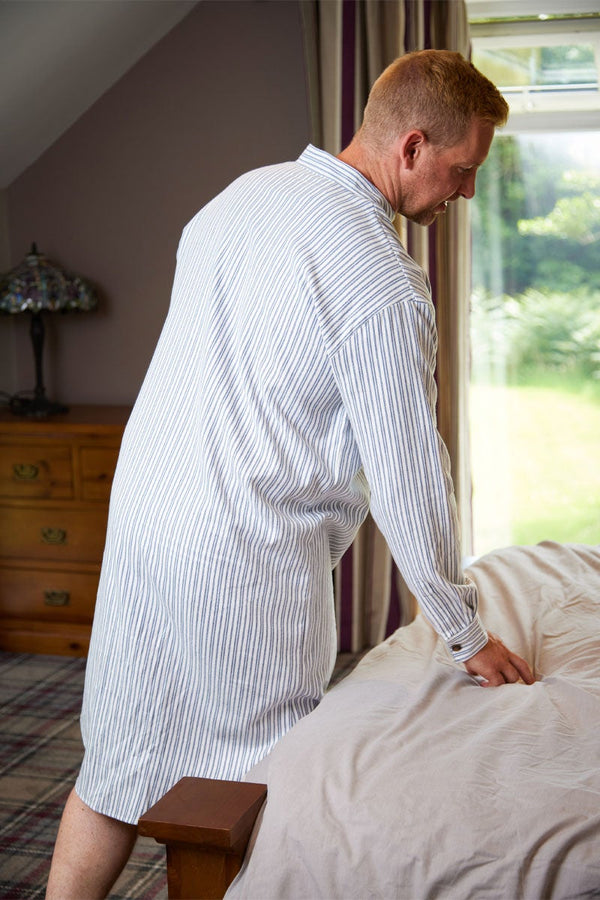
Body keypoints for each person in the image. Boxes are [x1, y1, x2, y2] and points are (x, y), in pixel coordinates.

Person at [46, 49, 534, 899]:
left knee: (119, 762)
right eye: (462, 172)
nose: (465, 195)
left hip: (144, 524)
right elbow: (410, 477)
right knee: (253, 788)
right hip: (245, 551)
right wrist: (465, 632)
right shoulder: (381, 283)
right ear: (412, 146)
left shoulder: (240, 198)